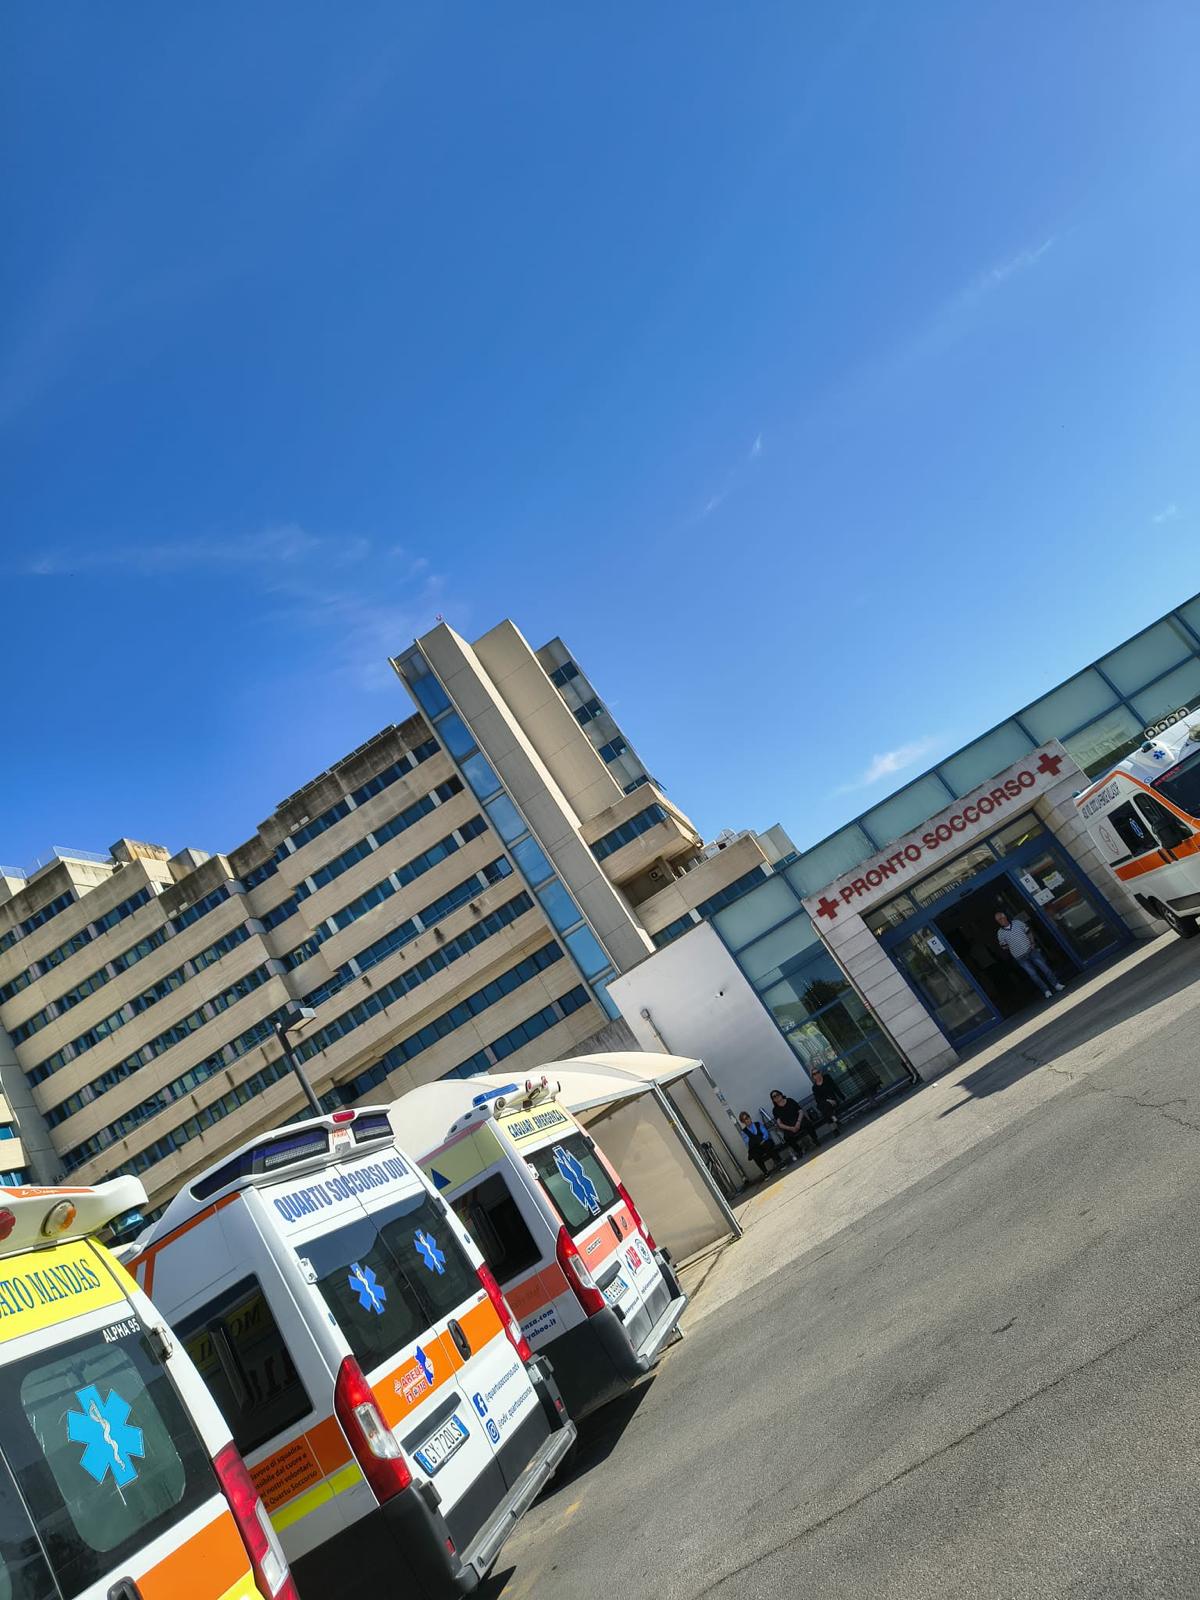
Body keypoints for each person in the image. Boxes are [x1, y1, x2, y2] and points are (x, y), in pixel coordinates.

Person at [995, 909, 1064, 999]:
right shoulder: (1000, 933)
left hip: (1031, 951)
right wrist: (1012, 944)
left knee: (1045, 968)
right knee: (1033, 975)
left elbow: (1028, 932)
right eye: (998, 920)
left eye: (1001, 918)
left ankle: (1056, 985)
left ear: (1005, 917)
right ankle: (1046, 991)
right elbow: (1003, 946)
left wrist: (1032, 943)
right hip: (1020, 957)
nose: (1000, 921)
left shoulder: (1017, 923)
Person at [769, 1089, 818, 1161]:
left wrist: (798, 1122)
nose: (776, 1097)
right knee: (787, 1137)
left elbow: (800, 1111)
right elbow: (779, 1124)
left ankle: (815, 1140)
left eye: (777, 1094)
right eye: (774, 1097)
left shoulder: (790, 1100)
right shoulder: (775, 1110)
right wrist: (790, 1128)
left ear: (781, 1094)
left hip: (798, 1120)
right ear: (773, 1100)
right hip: (789, 1126)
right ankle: (799, 1151)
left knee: (807, 1124)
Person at [737, 1111, 779, 1179]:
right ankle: (765, 1172)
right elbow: (748, 1143)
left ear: (750, 1117)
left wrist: (762, 1140)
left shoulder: (758, 1124)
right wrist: (758, 1141)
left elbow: (765, 1133)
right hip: (756, 1148)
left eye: (747, 1118)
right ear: (743, 1122)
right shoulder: (744, 1132)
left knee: (768, 1144)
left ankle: (779, 1162)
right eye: (744, 1120)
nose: (747, 1120)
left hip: (764, 1143)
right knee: (754, 1154)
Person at [809, 1066, 846, 1133]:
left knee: (824, 1111)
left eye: (817, 1072)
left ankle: (834, 1130)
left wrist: (842, 1097)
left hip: (833, 1101)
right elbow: (818, 1099)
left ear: (820, 1072)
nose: (817, 1075)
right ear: (813, 1077)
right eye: (814, 1074)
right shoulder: (814, 1087)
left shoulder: (827, 1078)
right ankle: (834, 1120)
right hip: (825, 1104)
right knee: (824, 1108)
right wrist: (828, 1100)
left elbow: (835, 1087)